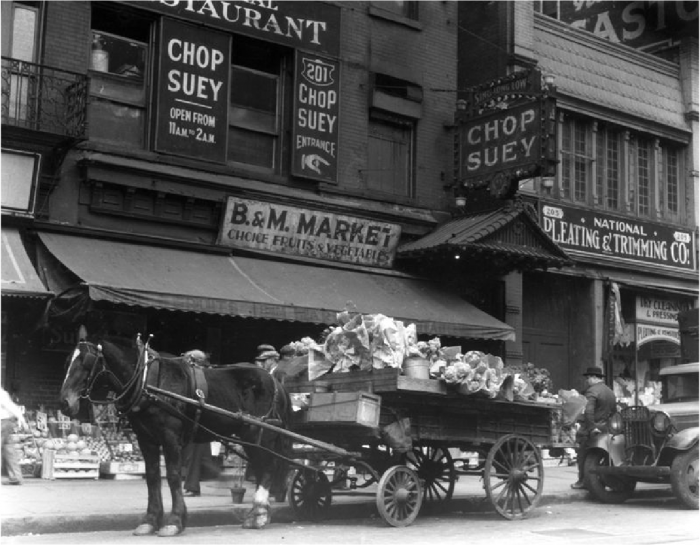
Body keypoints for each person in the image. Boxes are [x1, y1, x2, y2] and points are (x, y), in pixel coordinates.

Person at [571, 366, 617, 490]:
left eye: (588, 378)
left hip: (592, 428)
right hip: (605, 428)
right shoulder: (609, 391)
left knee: (582, 455)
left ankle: (582, 481)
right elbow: (614, 412)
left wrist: (591, 427)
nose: (587, 380)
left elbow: (588, 411)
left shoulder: (592, 391)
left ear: (594, 377)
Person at [1, 387, 28, 485]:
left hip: (2, 422)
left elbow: (10, 406)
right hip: (7, 423)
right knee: (9, 450)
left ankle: (16, 476)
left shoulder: (1, 393)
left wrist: (22, 419)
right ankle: (16, 477)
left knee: (8, 449)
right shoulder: (3, 392)